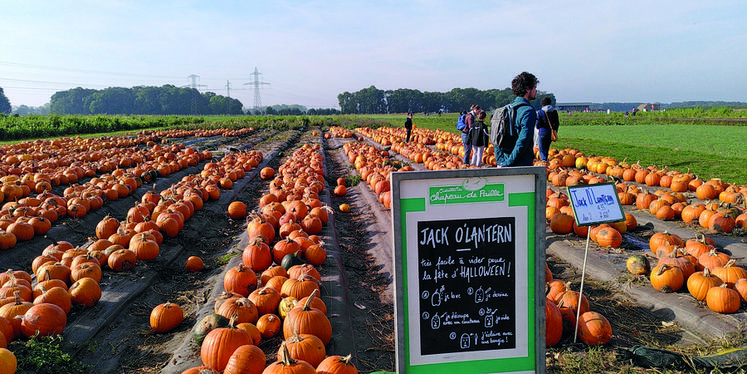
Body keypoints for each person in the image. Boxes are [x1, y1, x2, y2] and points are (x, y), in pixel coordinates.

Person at [495, 72, 538, 167]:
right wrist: (509, 162)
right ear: (527, 89)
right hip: (521, 163)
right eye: (534, 88)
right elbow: (523, 141)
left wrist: (501, 161)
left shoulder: (504, 110)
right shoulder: (528, 111)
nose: (536, 91)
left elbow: (496, 139)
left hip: (503, 160)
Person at [536, 96, 559, 162]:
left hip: (542, 132)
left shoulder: (540, 112)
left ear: (543, 103)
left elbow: (537, 124)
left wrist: (538, 127)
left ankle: (544, 161)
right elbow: (557, 123)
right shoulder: (554, 112)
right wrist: (555, 131)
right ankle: (545, 160)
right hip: (550, 133)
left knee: (541, 149)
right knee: (546, 148)